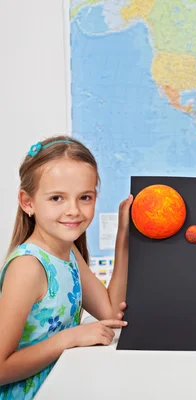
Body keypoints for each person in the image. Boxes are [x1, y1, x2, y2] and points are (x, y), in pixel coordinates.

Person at [0, 136, 133, 399]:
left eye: (85, 197)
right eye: (57, 198)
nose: (73, 210)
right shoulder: (29, 266)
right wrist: (69, 338)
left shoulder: (68, 251)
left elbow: (111, 311)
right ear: (28, 202)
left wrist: (124, 238)